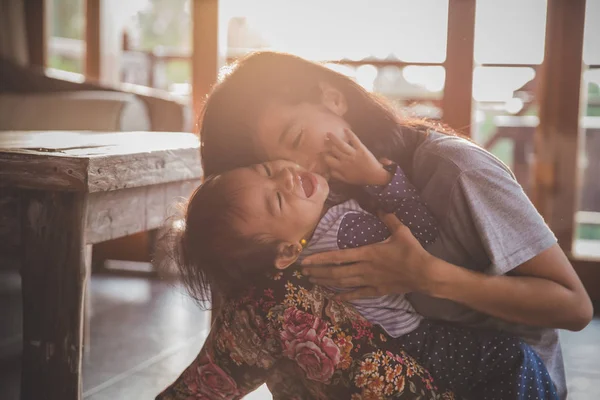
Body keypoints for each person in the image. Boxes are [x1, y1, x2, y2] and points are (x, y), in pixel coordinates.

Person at [163, 51, 592, 399]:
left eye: (294, 142)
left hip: (503, 379)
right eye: (267, 173)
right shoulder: (319, 208)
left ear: (332, 99)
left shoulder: (455, 169)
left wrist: (430, 277)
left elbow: (575, 308)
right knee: (264, 297)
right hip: (399, 365)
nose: (297, 170)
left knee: (272, 305)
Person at [166, 144, 558, 399]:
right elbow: (420, 235)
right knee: (511, 359)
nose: (285, 176)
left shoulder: (293, 263)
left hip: (383, 349)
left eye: (266, 167)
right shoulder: (345, 232)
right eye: (278, 199)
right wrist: (385, 181)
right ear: (286, 250)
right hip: (412, 341)